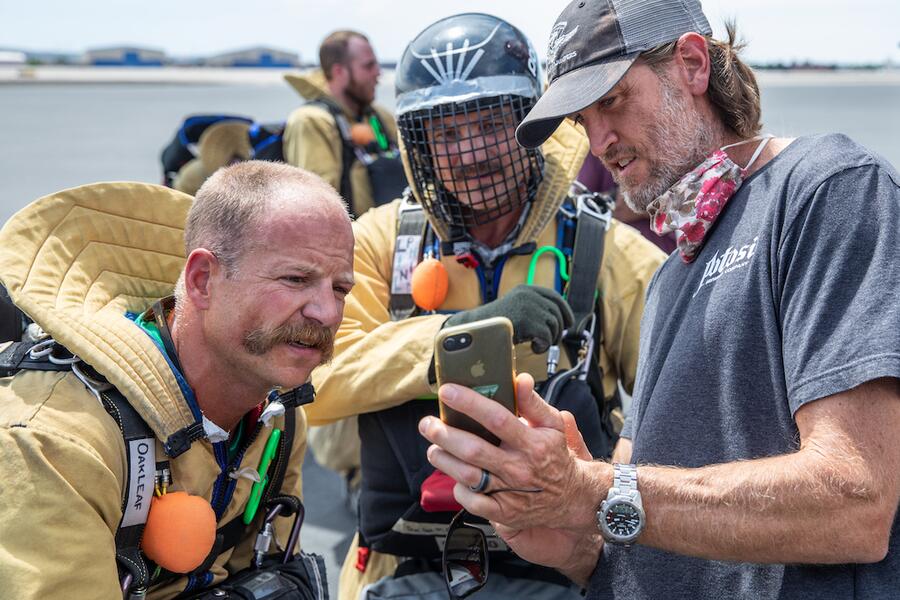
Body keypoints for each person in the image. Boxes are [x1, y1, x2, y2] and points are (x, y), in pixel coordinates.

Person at [419, 0, 900, 598]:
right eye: (581, 121)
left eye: (612, 100)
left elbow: (855, 501)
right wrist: (568, 535)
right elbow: (631, 523)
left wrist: (593, 488)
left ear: (693, 65)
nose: (599, 141)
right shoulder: (670, 276)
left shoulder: (826, 188)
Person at [304, 13, 666, 599]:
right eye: (446, 134)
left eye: (491, 125)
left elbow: (668, 409)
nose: (470, 153)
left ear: (534, 124)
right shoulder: (373, 242)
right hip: (398, 567)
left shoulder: (610, 251)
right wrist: (457, 333)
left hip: (565, 566)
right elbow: (312, 383)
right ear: (416, 144)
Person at [0, 161, 354, 598]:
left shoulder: (276, 416)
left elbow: (267, 569)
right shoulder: (58, 445)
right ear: (203, 280)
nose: (327, 313)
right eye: (296, 279)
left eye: (340, 289)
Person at [284, 29, 402, 218]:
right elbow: (316, 209)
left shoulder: (379, 116)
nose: (378, 73)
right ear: (339, 71)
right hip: (353, 243)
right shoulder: (312, 121)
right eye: (368, 66)